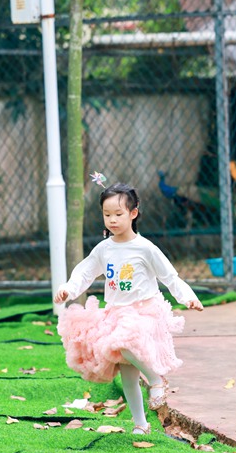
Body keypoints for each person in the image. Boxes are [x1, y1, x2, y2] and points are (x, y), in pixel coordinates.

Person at [54, 182, 203, 435]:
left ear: (133, 213)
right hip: (116, 313)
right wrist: (69, 288)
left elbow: (170, 277)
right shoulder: (104, 249)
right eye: (107, 214)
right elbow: (85, 272)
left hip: (144, 313)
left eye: (118, 214)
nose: (112, 220)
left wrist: (187, 297)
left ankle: (156, 379)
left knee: (121, 344)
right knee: (128, 374)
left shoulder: (145, 248)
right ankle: (141, 425)